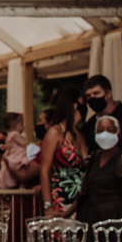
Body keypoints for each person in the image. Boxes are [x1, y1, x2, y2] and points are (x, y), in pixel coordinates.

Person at [40, 90, 88, 218]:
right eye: (82, 104)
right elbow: (44, 170)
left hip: (82, 201)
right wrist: (47, 206)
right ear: (73, 105)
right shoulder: (55, 132)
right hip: (62, 199)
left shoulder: (81, 134)